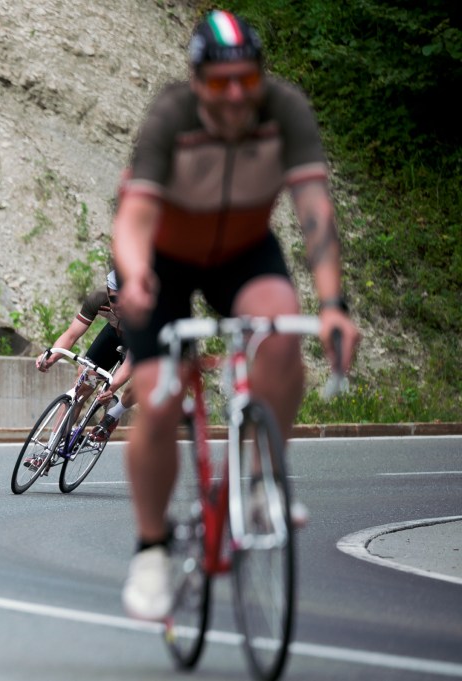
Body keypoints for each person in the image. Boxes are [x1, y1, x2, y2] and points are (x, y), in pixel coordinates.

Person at [110, 10, 360, 621]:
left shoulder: (285, 110)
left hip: (243, 252)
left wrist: (334, 307)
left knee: (282, 330)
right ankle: (151, 551)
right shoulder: (172, 114)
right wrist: (135, 274)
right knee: (158, 399)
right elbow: (135, 215)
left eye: (247, 80)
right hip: (164, 259)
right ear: (196, 81)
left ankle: (260, 480)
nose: (235, 96)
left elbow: (315, 211)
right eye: (220, 84)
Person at [26, 271, 136, 471]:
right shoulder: (97, 299)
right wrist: (50, 356)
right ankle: (49, 451)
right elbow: (71, 334)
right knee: (83, 383)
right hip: (113, 334)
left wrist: (112, 387)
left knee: (140, 380)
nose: (119, 304)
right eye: (114, 299)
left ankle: (112, 412)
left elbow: (130, 363)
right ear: (107, 292)